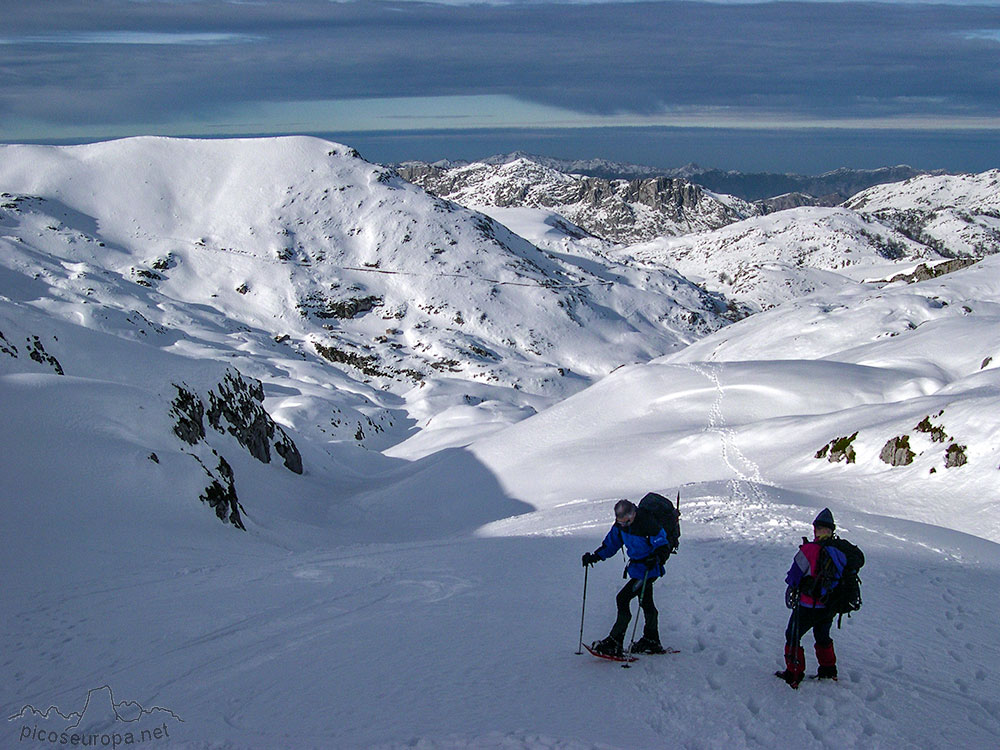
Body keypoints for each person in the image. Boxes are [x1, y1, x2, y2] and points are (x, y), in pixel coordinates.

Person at [581, 499, 673, 656]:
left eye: (626, 522)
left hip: (649, 570)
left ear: (633, 514)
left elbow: (662, 544)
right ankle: (651, 640)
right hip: (637, 569)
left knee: (622, 598)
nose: (623, 525)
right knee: (646, 602)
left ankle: (615, 641)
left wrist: (656, 558)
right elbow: (611, 544)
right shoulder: (620, 526)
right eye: (620, 522)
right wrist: (595, 557)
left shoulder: (648, 523)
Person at [776, 508, 848, 688]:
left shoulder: (809, 550)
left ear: (815, 530)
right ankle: (828, 671)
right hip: (829, 605)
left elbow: (793, 577)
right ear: (832, 530)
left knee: (792, 635)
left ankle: (793, 673)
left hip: (807, 605)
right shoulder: (840, 551)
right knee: (822, 635)